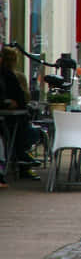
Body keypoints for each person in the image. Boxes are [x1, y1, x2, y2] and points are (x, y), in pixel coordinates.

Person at [0, 47, 41, 182]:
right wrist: (7, 103)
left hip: (13, 115)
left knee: (17, 133)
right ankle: (22, 161)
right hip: (12, 116)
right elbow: (22, 97)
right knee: (19, 132)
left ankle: (21, 160)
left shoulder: (10, 75)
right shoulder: (11, 75)